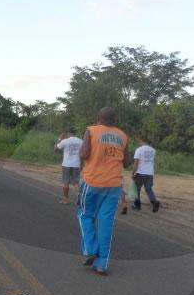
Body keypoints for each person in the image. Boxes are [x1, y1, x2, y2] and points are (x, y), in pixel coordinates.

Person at [78, 107, 131, 276]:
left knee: (85, 215)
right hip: (114, 185)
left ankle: (90, 249)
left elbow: (84, 153)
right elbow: (126, 163)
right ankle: (102, 265)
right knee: (106, 222)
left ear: (98, 118)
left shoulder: (91, 131)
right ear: (115, 120)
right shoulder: (123, 136)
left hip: (92, 181)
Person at [56, 126, 83, 205]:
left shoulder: (65, 141)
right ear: (76, 132)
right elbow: (83, 153)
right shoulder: (81, 141)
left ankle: (65, 200)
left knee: (66, 182)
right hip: (76, 164)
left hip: (66, 164)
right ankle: (79, 195)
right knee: (76, 182)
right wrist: (82, 164)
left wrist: (59, 139)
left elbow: (55, 149)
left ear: (69, 133)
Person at [132, 138, 160, 212]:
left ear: (142, 141)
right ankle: (154, 202)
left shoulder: (139, 150)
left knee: (136, 189)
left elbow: (136, 163)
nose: (139, 143)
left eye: (139, 141)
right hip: (150, 173)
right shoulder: (153, 150)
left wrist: (133, 172)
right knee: (148, 189)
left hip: (140, 173)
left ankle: (137, 205)